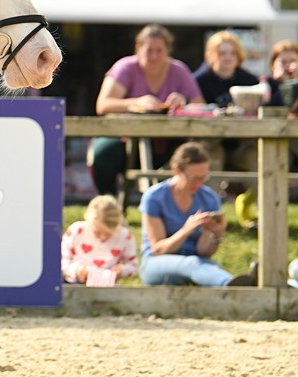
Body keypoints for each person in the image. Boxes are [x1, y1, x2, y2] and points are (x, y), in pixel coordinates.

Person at [89, 24, 204, 197]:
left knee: (191, 153)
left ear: (168, 50)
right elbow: (103, 105)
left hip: (167, 141)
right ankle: (108, 203)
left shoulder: (179, 70)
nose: (154, 56)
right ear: (138, 48)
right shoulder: (125, 67)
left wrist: (183, 101)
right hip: (125, 138)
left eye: (159, 50)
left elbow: (200, 106)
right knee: (102, 154)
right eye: (149, 50)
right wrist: (136, 103)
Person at [139, 142, 255, 287]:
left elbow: (203, 251)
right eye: (193, 178)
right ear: (176, 170)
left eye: (203, 178)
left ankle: (247, 287)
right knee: (193, 264)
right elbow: (158, 249)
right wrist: (186, 230)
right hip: (156, 263)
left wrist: (217, 234)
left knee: (206, 265)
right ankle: (233, 287)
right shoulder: (155, 197)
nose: (199, 184)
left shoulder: (209, 198)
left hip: (197, 261)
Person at [191, 31, 257, 172]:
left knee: (257, 156)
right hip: (211, 141)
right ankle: (212, 195)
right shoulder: (198, 80)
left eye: (232, 53)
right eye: (222, 53)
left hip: (240, 142)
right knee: (212, 156)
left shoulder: (250, 81)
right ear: (212, 55)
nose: (228, 57)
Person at [61, 194, 139, 286]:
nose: (103, 237)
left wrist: (122, 270)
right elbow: (61, 260)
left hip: (108, 285)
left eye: (109, 234)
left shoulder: (124, 236)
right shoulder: (76, 231)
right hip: (75, 284)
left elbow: (134, 266)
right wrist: (77, 270)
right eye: (97, 232)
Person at [264, 39, 298, 109]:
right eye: (283, 62)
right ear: (273, 65)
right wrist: (285, 84)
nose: (288, 66)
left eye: (293, 61)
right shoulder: (265, 84)